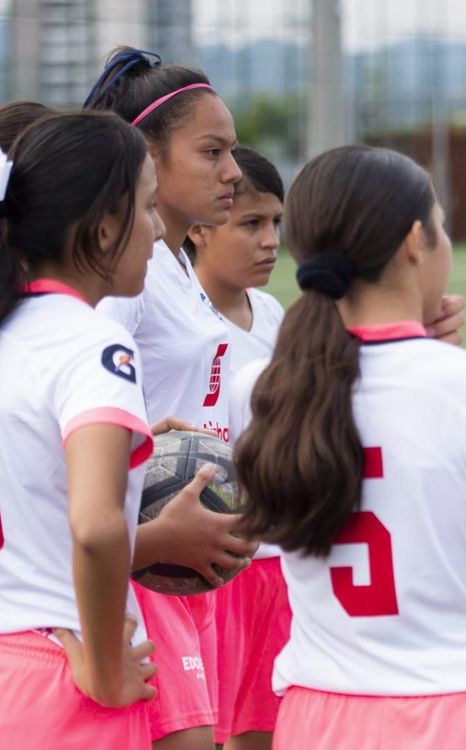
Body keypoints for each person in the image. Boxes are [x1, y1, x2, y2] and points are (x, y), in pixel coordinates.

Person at [230, 145, 466, 750]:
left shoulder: (262, 391)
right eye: (442, 227)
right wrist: (465, 589)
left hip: (322, 718)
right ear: (412, 242)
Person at [84, 47, 258, 750]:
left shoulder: (176, 263)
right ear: (147, 155)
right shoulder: (130, 273)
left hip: (185, 558)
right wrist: (151, 530)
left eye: (234, 151)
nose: (233, 171)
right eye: (212, 151)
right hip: (142, 562)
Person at [0, 111, 164, 747]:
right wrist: (101, 668)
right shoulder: (97, 344)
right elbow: (96, 525)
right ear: (102, 230)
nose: (156, 232)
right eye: (149, 209)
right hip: (58, 677)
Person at [186, 145, 286, 750]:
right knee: (205, 729)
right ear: (198, 229)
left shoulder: (275, 314)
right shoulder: (180, 323)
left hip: (277, 559)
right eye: (250, 223)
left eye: (276, 223)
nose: (270, 240)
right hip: (211, 562)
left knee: (267, 732)